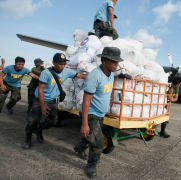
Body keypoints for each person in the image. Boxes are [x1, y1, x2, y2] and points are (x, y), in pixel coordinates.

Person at [74, 47, 123, 179]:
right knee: (98, 144)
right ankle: (91, 166)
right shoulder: (94, 76)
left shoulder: (111, 74)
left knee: (90, 135)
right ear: (104, 61)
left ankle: (79, 148)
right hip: (91, 114)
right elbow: (86, 101)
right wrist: (84, 123)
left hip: (101, 114)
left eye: (117, 62)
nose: (116, 64)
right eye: (113, 62)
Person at [22, 53, 86, 149]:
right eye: (60, 64)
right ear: (54, 63)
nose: (62, 66)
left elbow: (79, 75)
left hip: (53, 100)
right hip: (40, 100)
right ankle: (28, 138)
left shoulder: (67, 71)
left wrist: (91, 77)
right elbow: (40, 89)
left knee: (53, 121)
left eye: (64, 64)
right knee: (32, 121)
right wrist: (43, 105)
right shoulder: (46, 73)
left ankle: (39, 129)